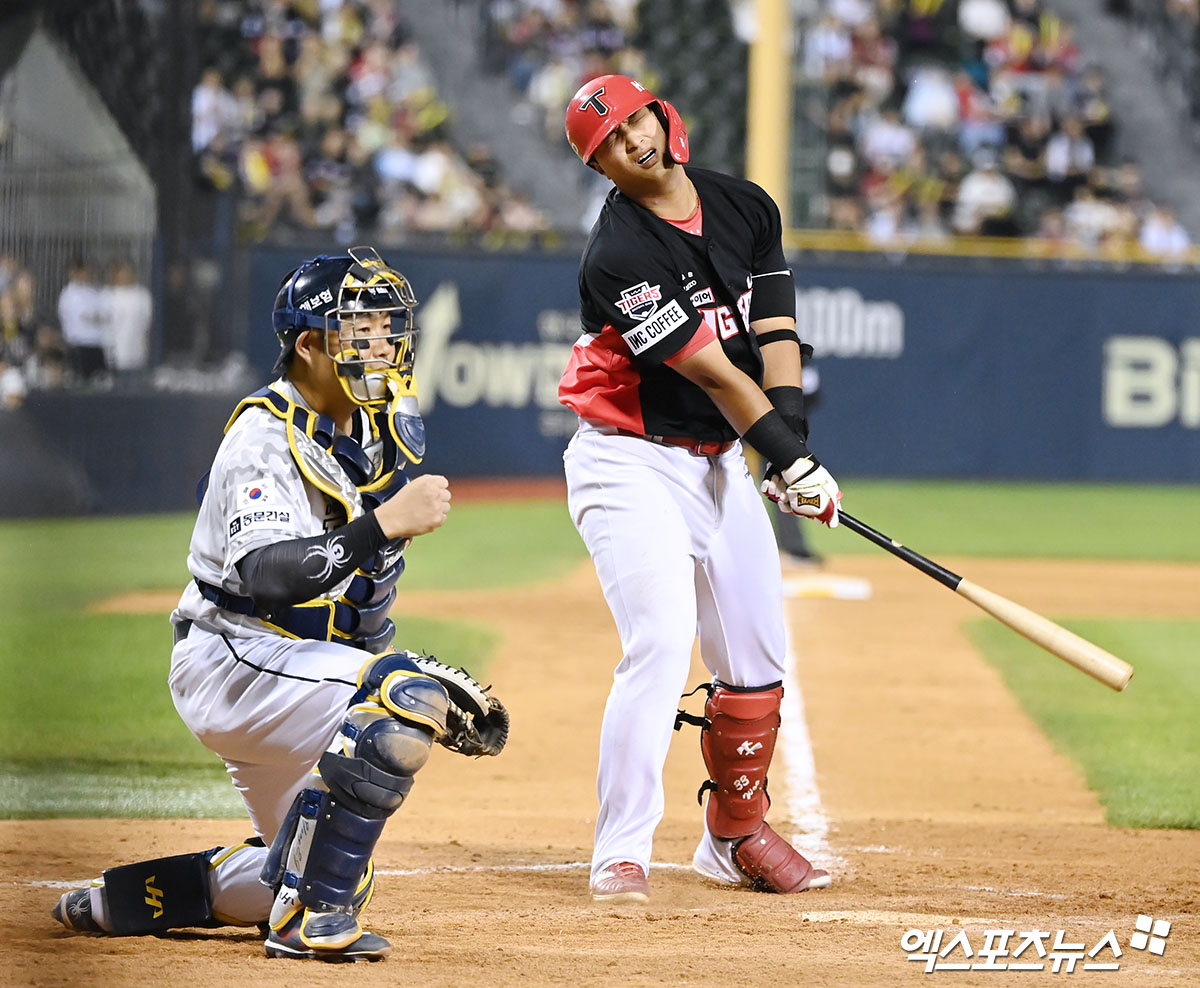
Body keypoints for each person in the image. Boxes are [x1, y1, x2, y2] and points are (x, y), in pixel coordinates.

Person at [50, 246, 509, 961]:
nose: (385, 343)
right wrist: (382, 526)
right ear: (310, 344)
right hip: (232, 654)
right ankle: (306, 926)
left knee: (311, 865)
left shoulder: (366, 430)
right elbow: (266, 576)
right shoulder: (264, 437)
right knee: (402, 701)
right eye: (364, 329)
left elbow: (353, 605)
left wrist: (369, 659)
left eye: (389, 326)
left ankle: (122, 899)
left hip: (282, 663)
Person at [559, 75, 840, 903]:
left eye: (633, 121)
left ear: (660, 113)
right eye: (607, 143)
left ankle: (734, 836)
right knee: (661, 639)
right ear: (600, 166)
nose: (631, 143)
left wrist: (793, 445)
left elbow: (776, 331)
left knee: (756, 652)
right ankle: (622, 848)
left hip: (717, 461)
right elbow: (715, 370)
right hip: (628, 459)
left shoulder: (745, 205)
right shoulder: (619, 251)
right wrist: (785, 458)